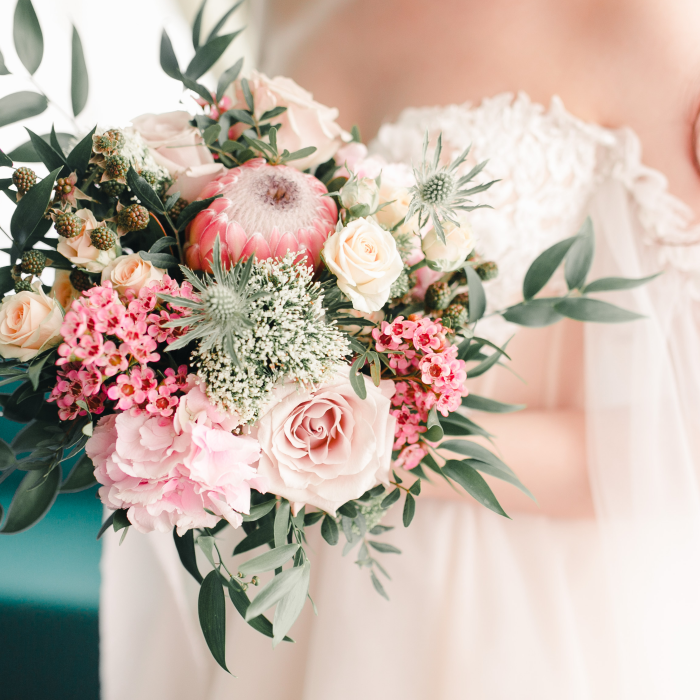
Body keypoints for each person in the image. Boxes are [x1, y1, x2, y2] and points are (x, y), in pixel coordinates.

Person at [101, 0, 700, 698]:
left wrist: (362, 450)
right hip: (274, 582)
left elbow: (685, 435)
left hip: (501, 605)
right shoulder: (284, 9)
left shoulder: (642, 21)